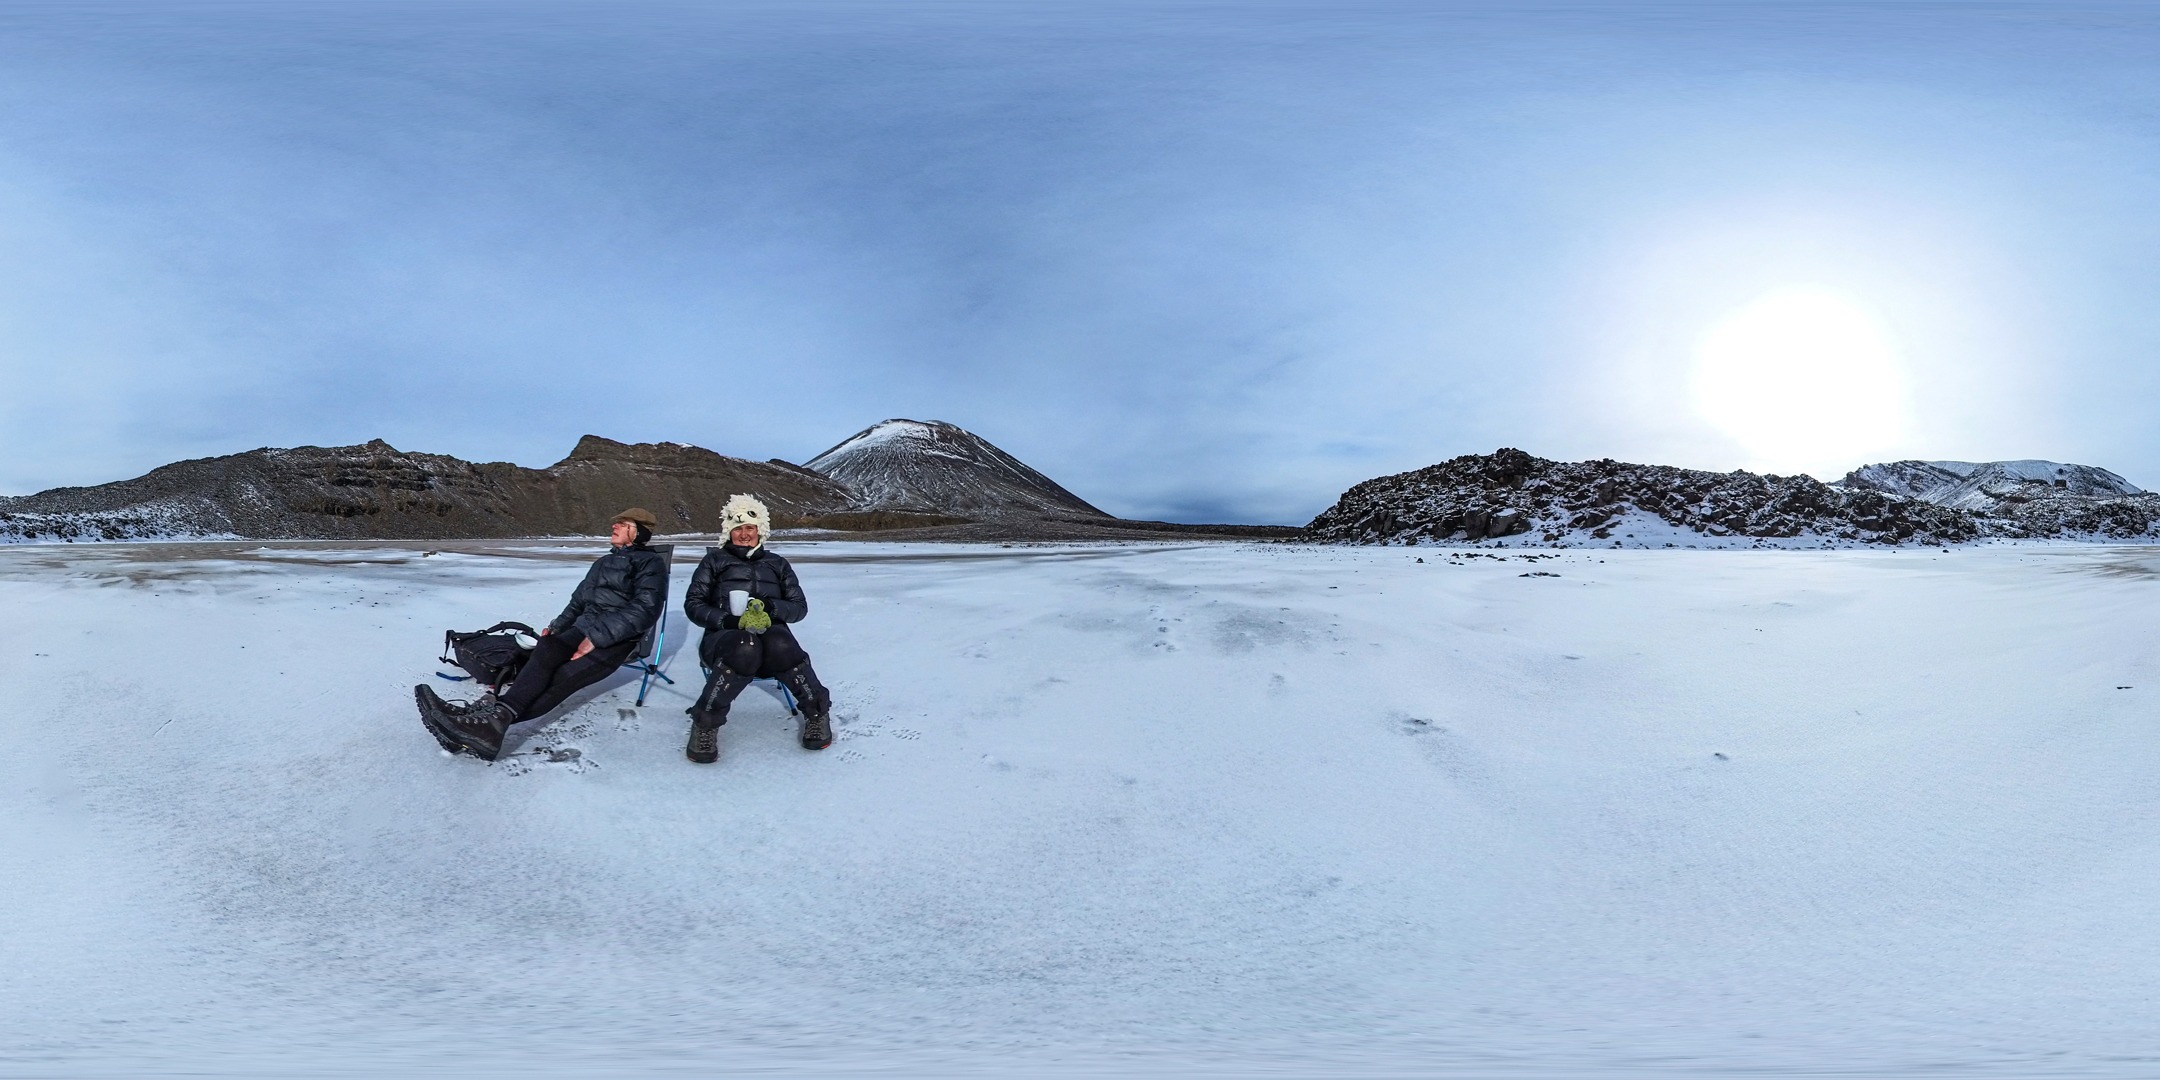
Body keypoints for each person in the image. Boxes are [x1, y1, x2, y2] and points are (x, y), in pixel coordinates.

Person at [415, 508, 669, 761]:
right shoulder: (603, 562)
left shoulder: (650, 563)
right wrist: (557, 627)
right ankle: (474, 723)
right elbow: (578, 602)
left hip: (615, 640)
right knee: (546, 648)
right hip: (582, 628)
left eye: (622, 524)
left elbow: (646, 609)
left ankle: (484, 723)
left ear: (638, 532)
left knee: (562, 677)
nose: (614, 526)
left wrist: (596, 638)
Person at [682, 493, 833, 763]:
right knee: (744, 645)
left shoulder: (777, 564)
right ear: (728, 532)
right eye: (737, 528)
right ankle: (705, 724)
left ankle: (817, 713)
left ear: (760, 529)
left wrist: (772, 607)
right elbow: (694, 605)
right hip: (724, 640)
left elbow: (799, 607)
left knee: (781, 642)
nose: (744, 534)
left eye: (749, 527)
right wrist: (730, 620)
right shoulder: (714, 562)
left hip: (772, 643)